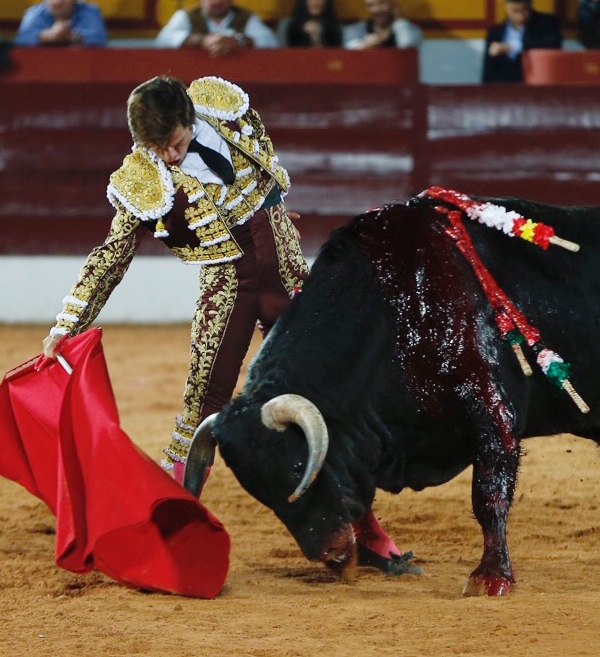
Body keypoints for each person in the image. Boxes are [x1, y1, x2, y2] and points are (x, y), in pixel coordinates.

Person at [38, 74, 411, 574]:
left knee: (325, 400)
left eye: (173, 144)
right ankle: (169, 535)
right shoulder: (140, 177)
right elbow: (111, 256)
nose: (168, 158)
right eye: (155, 148)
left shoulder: (225, 110)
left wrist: (272, 213)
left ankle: (369, 534)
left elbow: (264, 173)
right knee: (199, 406)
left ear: (189, 119)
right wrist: (68, 320)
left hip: (285, 272)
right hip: (227, 286)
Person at [156, 0, 278, 54]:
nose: (217, 0)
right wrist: (203, 41)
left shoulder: (245, 16)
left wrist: (237, 42)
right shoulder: (186, 15)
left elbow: (270, 42)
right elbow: (163, 40)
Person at [482, 0, 562, 83]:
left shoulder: (547, 24)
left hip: (536, 91)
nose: (520, 17)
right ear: (505, 6)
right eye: (515, 11)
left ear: (530, 4)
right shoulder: (494, 33)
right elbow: (487, 76)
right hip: (504, 94)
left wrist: (512, 47)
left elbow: (553, 45)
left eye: (524, 10)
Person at [14, 0, 108, 47]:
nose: (59, 0)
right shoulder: (34, 12)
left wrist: (71, 36)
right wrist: (48, 35)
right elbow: (21, 39)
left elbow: (99, 39)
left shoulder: (90, 11)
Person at [343, 0, 423, 50]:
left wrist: (399, 20)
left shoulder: (408, 29)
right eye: (371, 5)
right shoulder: (356, 29)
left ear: (392, 3)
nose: (377, 9)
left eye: (381, 3)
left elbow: (407, 47)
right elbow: (349, 49)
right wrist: (365, 45)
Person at [278, 0, 343, 48]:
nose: (316, 1)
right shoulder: (287, 25)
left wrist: (316, 38)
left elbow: (336, 57)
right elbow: (282, 55)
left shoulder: (335, 26)